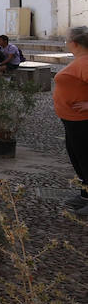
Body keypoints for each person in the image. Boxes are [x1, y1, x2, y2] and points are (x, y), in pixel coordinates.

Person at [54, 27, 88, 214]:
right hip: (72, 121)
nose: (66, 43)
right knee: (78, 158)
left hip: (82, 121)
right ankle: (85, 195)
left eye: (66, 40)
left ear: (74, 43)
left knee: (85, 158)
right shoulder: (80, 61)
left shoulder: (85, 62)